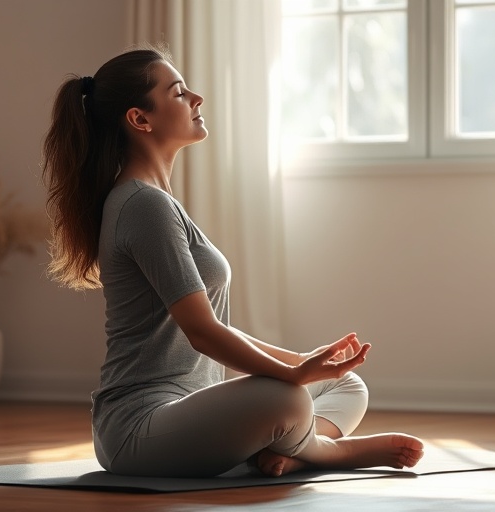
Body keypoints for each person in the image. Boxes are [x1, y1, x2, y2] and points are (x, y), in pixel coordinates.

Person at [41, 44, 425, 478]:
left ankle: (287, 448)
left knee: (343, 382)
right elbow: (203, 333)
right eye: (179, 92)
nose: (196, 99)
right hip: (138, 428)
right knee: (288, 398)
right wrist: (294, 373)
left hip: (190, 410)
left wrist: (303, 360)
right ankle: (326, 451)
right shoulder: (141, 206)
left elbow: (212, 326)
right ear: (140, 119)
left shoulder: (156, 202)